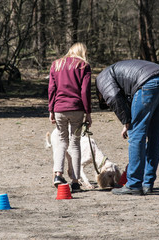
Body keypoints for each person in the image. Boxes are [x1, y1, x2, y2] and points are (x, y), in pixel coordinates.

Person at [95, 59, 159, 195]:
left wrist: (126, 121)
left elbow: (114, 97)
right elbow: (131, 102)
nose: (108, 104)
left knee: (137, 136)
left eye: (105, 102)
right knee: (155, 135)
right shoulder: (117, 75)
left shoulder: (102, 78)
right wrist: (128, 122)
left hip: (148, 83)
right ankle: (148, 184)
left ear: (99, 94)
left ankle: (134, 184)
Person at [48, 42, 92, 192]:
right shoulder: (83, 66)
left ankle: (58, 174)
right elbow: (85, 91)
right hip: (76, 109)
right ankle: (75, 181)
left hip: (59, 108)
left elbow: (52, 89)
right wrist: (88, 112)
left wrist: (51, 110)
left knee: (61, 141)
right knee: (75, 143)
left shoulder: (56, 64)